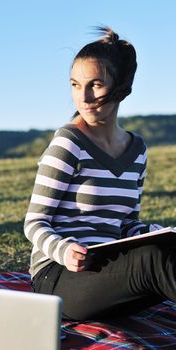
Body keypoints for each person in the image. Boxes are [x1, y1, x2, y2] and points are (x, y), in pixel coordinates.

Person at [24, 26, 176, 321]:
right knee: (153, 261)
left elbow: (128, 225)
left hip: (108, 270)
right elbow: (34, 222)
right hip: (58, 278)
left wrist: (158, 233)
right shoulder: (68, 143)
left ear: (121, 87)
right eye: (75, 84)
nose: (83, 96)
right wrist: (64, 250)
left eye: (95, 84)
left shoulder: (137, 149)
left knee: (163, 252)